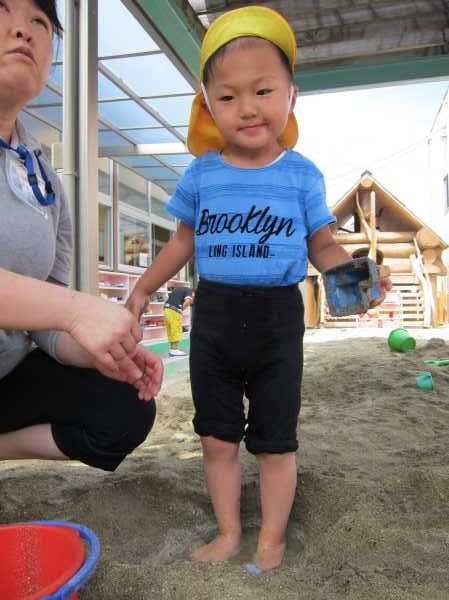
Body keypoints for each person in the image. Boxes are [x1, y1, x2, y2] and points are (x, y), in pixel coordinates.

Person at [127, 5, 391, 571]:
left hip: (277, 322)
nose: (247, 107)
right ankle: (228, 531)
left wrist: (357, 280)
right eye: (228, 96)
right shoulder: (202, 173)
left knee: (275, 440)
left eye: (263, 91)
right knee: (216, 437)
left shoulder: (302, 174)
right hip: (215, 321)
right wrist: (142, 290)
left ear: (291, 96)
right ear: (208, 105)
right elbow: (181, 243)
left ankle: (270, 538)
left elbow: (322, 246)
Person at [0, 0, 162, 472]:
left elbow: (44, 319)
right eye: (2, 12)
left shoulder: (44, 179)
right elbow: (63, 307)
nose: (23, 31)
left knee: (122, 403)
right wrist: (78, 310)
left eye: (39, 22)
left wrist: (95, 351)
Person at [164, 286, 193, 356]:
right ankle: (174, 350)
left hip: (166, 309)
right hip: (174, 310)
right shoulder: (189, 290)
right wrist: (181, 310)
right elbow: (188, 301)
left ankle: (172, 349)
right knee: (176, 329)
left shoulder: (178, 289)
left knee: (171, 330)